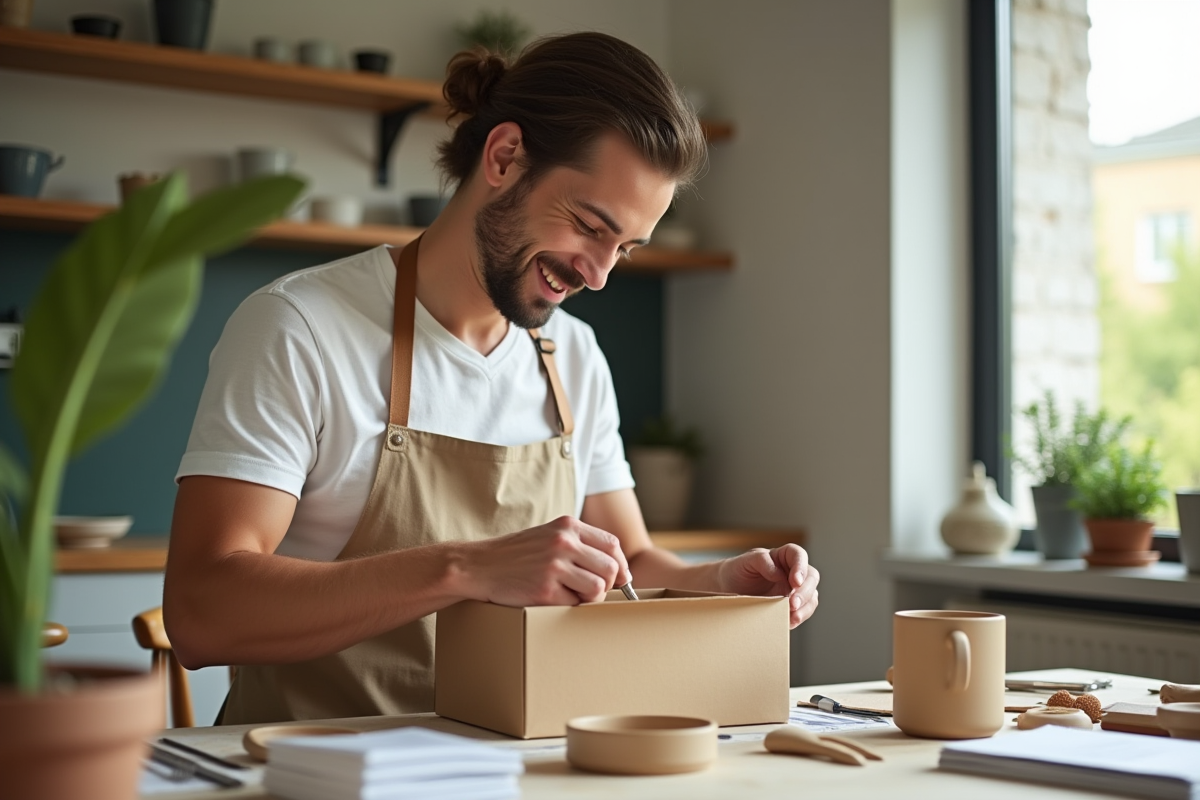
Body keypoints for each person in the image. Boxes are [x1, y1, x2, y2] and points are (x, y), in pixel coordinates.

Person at [163, 31, 820, 725]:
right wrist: (465, 568)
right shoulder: (301, 327)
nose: (599, 275)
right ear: (504, 158)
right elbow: (203, 613)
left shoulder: (574, 356)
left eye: (624, 249)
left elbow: (627, 558)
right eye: (589, 226)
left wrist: (717, 582)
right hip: (305, 761)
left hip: (507, 764)